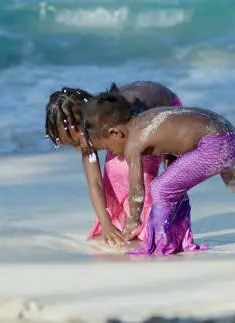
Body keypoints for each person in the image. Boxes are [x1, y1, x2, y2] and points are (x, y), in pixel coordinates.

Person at [80, 86, 235, 256]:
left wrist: (133, 220)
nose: (112, 152)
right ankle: (179, 239)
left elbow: (136, 190)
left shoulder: (133, 143)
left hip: (216, 145)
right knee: (171, 187)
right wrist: (225, 166)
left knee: (160, 188)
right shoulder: (145, 121)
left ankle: (161, 245)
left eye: (108, 146)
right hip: (229, 137)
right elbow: (189, 131)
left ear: (115, 132)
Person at [44, 81, 184, 246]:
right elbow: (95, 182)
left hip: (164, 112)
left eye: (76, 143)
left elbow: (138, 170)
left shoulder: (117, 116)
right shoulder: (89, 130)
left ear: (82, 125)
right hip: (126, 127)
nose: (79, 149)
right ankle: (120, 223)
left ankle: (155, 223)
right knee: (114, 171)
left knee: (144, 173)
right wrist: (106, 223)